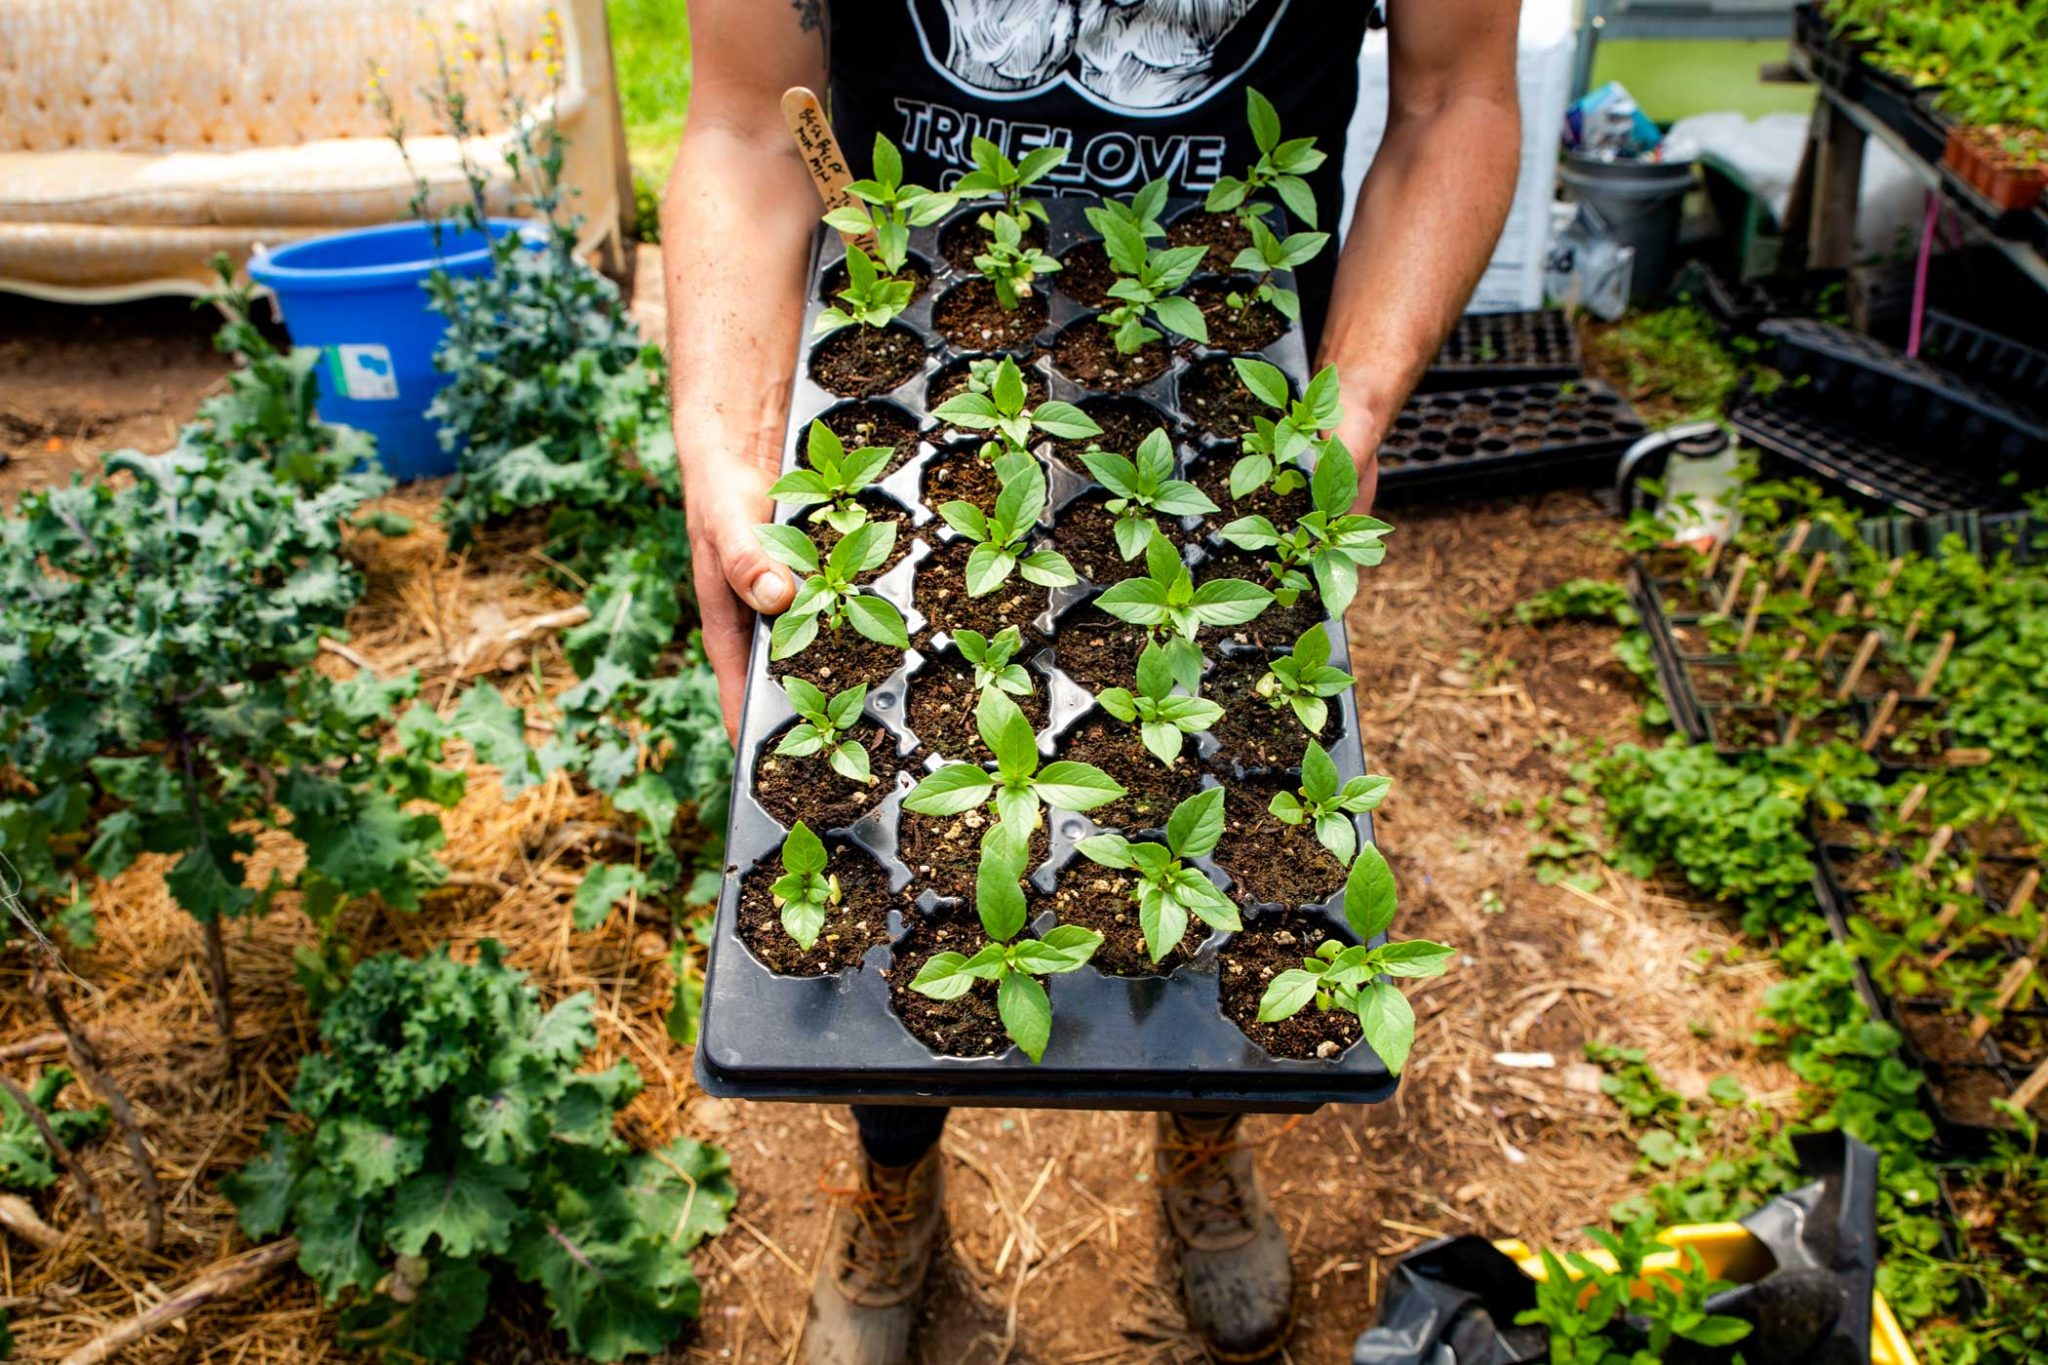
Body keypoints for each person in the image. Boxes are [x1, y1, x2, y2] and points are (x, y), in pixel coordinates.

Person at [662, 3, 1521, 1360]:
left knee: (1239, 822)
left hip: (1223, 390)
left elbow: (1454, 100)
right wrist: (723, 446)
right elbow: (744, 116)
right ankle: (893, 1169)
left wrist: (1347, 409)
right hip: (908, 367)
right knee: (884, 840)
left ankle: (1203, 1125)